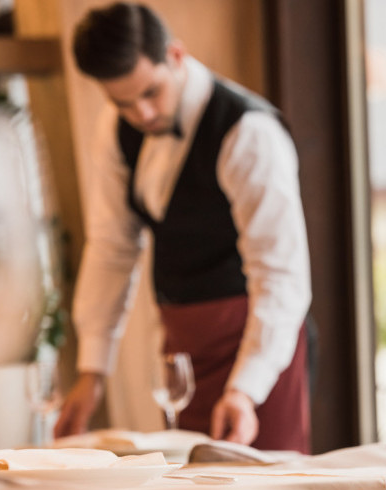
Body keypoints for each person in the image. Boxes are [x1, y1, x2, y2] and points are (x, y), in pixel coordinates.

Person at [53, 2, 311, 453]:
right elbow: (112, 248)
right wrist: (92, 373)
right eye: (123, 102)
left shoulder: (247, 132)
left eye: (151, 92)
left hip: (257, 340)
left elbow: (281, 276)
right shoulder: (115, 130)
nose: (143, 114)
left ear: (175, 55)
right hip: (183, 352)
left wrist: (244, 390)